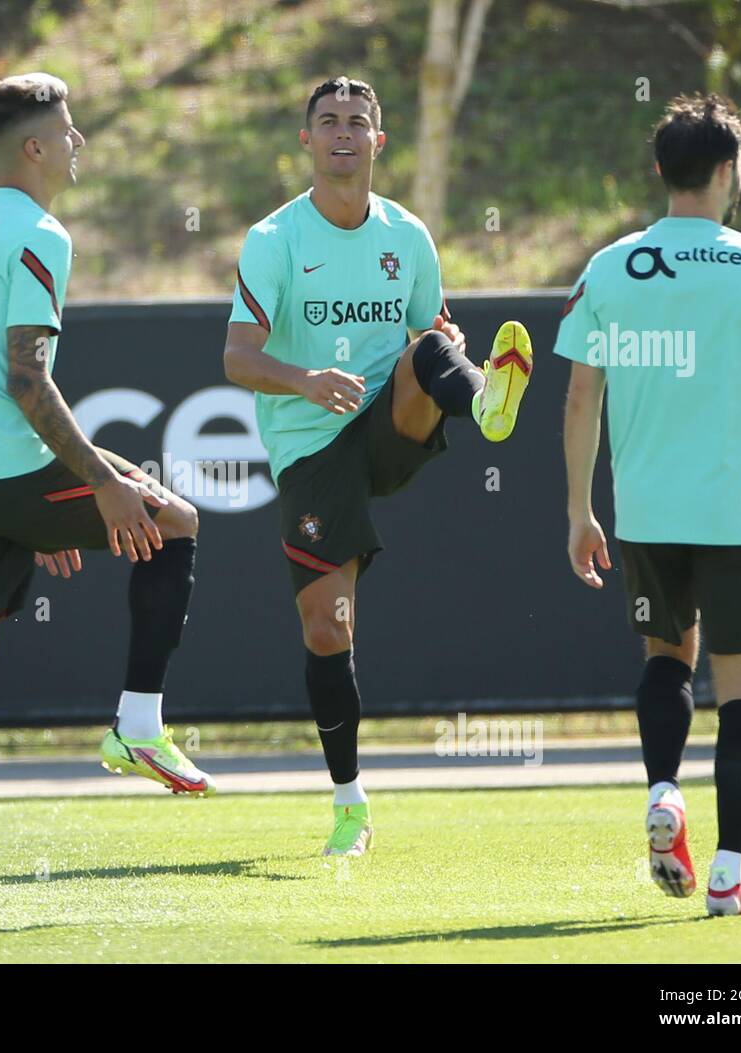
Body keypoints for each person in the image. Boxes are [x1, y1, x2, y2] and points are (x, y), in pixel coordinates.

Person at [0, 74, 212, 926]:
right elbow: (27, 381)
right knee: (174, 522)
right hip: (3, 471)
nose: (80, 145)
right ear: (33, 147)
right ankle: (138, 723)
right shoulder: (41, 233)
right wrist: (102, 484)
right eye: (69, 132)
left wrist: (40, 509)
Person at [223, 77, 534, 858]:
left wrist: (451, 353)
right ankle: (350, 804)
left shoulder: (409, 236)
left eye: (357, 122)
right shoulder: (274, 240)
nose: (342, 134)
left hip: (392, 425)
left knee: (432, 347)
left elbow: (434, 330)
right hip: (312, 444)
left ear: (378, 141)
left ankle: (488, 407)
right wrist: (305, 381)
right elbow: (236, 357)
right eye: (327, 122)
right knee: (329, 629)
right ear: (305, 140)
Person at [557, 93, 741, 916]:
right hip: (738, 514)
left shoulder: (607, 269)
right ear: (726, 171)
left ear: (663, 171)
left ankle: (665, 788)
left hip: (645, 514)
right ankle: (727, 872)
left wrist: (580, 510)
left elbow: (578, 400)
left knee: (665, 660)